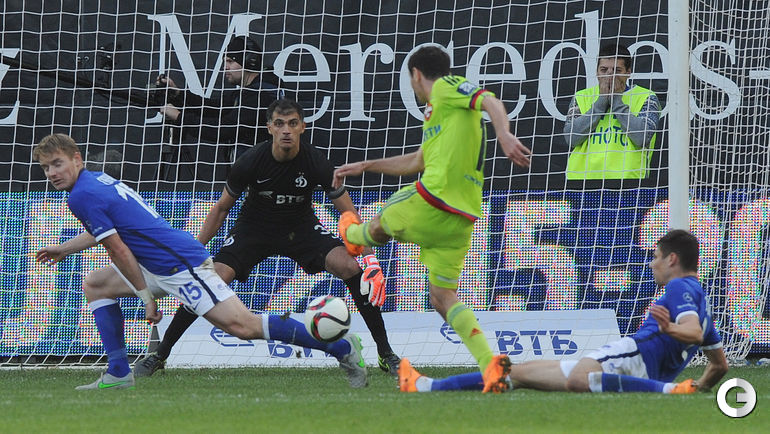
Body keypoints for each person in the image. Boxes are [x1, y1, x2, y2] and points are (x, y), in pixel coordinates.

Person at [33, 133, 367, 390]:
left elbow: (118, 249)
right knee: (96, 285)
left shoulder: (82, 195)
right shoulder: (94, 181)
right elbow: (110, 231)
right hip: (160, 261)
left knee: (243, 327)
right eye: (46, 168)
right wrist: (64, 249)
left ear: (76, 158)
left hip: (180, 265)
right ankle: (119, 372)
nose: (52, 173)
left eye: (58, 164)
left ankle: (341, 347)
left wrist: (146, 298)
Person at [134, 99, 401, 378]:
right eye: (279, 124)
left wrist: (369, 258)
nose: (286, 130)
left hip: (301, 228)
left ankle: (386, 354)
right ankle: (160, 354)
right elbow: (221, 209)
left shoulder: (316, 162)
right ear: (270, 128)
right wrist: (194, 251)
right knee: (211, 278)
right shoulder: (251, 161)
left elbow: (348, 212)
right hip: (254, 229)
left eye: (293, 124)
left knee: (350, 267)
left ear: (302, 127)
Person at [332, 46, 531, 391]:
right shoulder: (440, 113)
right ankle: (491, 366)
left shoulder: (445, 87)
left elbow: (490, 100)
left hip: (434, 198)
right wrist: (366, 165)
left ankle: (353, 236)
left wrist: (503, 133)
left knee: (379, 221)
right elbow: (417, 161)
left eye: (411, 80)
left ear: (416, 74)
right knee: (441, 296)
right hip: (462, 217)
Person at [398, 229, 729, 394]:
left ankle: (669, 391)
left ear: (672, 259)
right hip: (644, 372)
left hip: (636, 354)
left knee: (578, 378)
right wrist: (700, 387)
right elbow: (719, 365)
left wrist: (670, 331)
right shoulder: (703, 303)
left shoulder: (679, 288)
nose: (652, 263)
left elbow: (691, 332)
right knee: (518, 372)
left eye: (656, 256)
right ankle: (426, 386)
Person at [157, 35, 284, 175]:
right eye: (224, 62)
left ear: (249, 62)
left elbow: (222, 129)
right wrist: (178, 94)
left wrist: (179, 117)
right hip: (251, 172)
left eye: (230, 61)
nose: (225, 67)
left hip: (262, 175)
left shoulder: (262, 95)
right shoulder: (249, 92)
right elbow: (213, 108)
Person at [563, 43, 661, 180]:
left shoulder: (646, 97)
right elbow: (571, 138)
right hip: (581, 181)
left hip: (629, 181)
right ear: (597, 72)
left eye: (617, 70)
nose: (610, 75)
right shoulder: (582, 96)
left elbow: (642, 138)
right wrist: (601, 102)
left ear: (628, 72)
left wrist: (617, 101)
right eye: (604, 70)